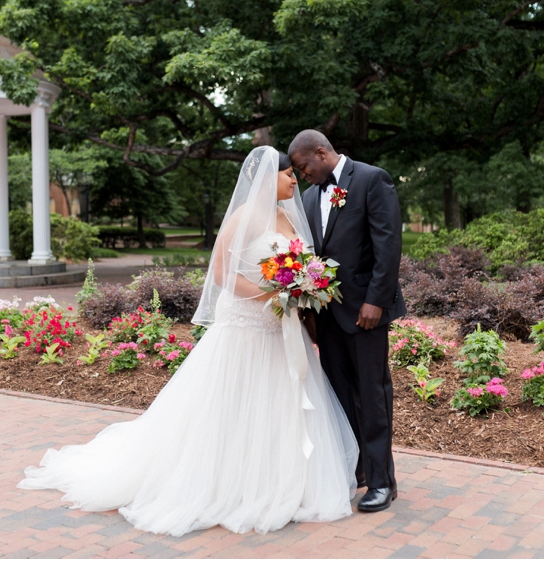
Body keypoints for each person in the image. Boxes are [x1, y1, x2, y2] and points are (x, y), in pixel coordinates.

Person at [18, 146, 359, 536]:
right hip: (246, 326)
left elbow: (302, 267)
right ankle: (226, 482)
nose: (294, 181)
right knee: (233, 405)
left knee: (283, 405)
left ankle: (285, 480)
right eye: (288, 175)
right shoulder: (244, 217)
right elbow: (222, 275)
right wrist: (274, 295)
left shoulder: (287, 217)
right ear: (268, 177)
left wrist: (301, 289)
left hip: (281, 329)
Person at [288, 130, 406, 513]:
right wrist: (308, 311)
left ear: (321, 153)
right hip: (327, 317)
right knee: (340, 399)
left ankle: (383, 482)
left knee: (372, 395)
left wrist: (376, 301)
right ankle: (357, 470)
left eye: (304, 166)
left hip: (366, 312)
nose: (303, 175)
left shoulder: (372, 179)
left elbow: (388, 245)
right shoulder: (309, 198)